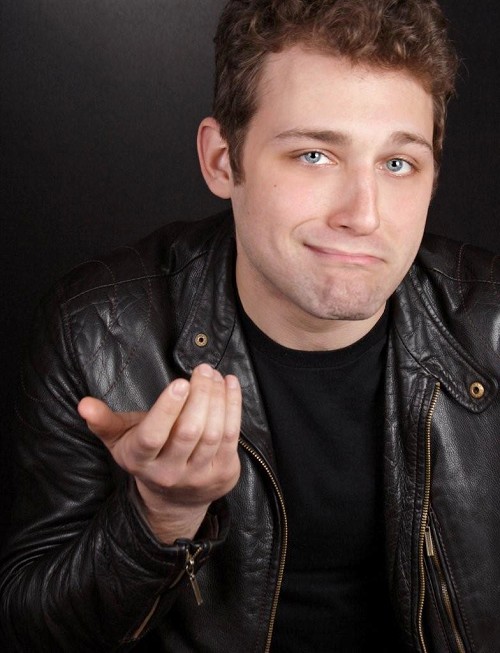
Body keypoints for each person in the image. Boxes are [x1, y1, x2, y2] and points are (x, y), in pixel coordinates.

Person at [1, 0, 499, 651]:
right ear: (221, 160)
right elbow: (32, 629)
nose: (364, 215)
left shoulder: (492, 322)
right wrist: (160, 516)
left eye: (397, 163)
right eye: (315, 155)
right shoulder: (96, 330)